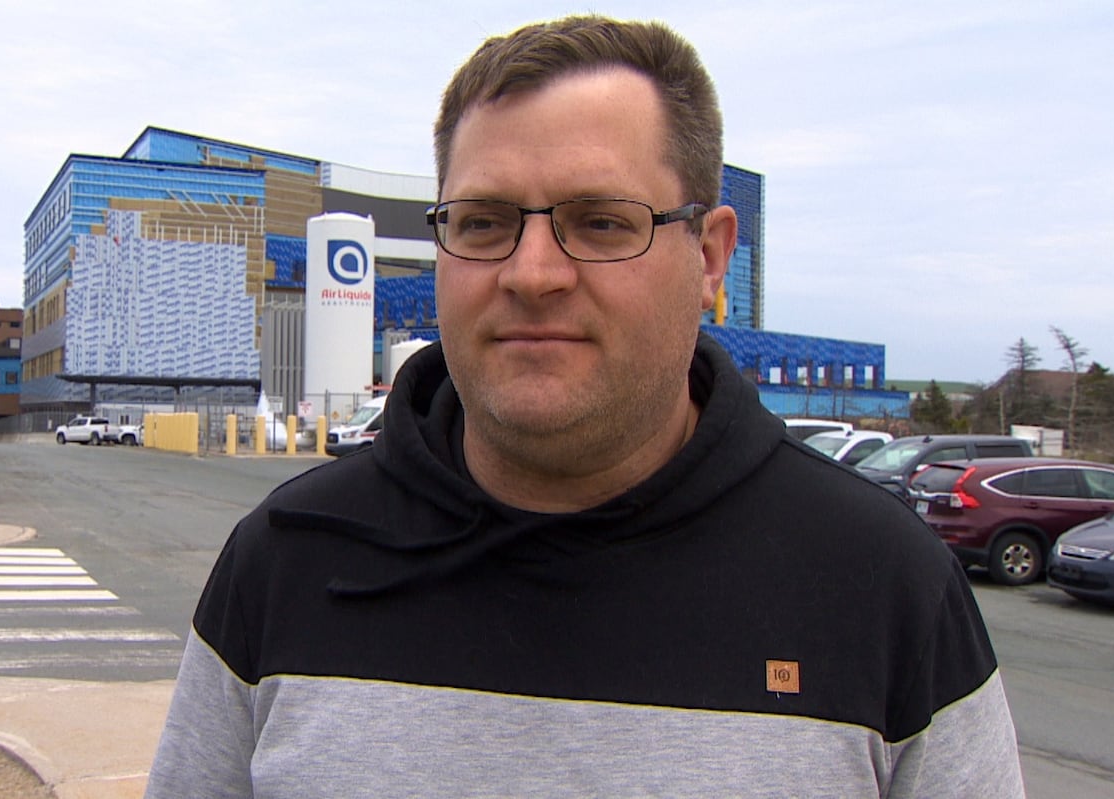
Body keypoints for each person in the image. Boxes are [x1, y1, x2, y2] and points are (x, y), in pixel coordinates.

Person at [146, 15, 1025, 798]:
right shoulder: (286, 562)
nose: (532, 273)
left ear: (711, 258)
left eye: (602, 222)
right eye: (485, 221)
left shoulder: (880, 586)